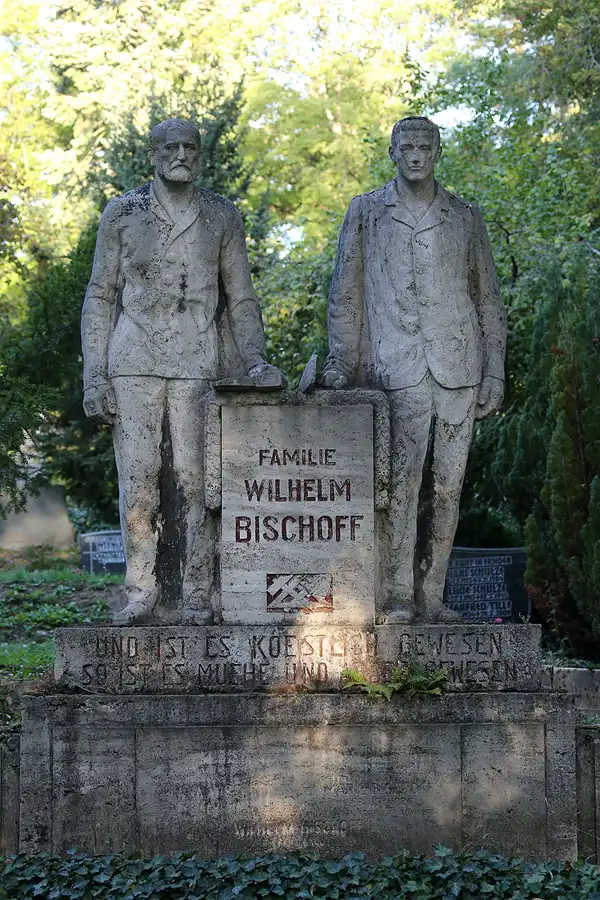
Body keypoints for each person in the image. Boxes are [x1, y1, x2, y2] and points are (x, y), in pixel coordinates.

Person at [82, 118, 279, 625]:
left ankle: (197, 591)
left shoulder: (221, 216)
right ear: (153, 154)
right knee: (139, 481)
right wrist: (95, 375)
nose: (182, 155)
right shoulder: (123, 213)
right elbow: (100, 296)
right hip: (133, 364)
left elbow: (241, 297)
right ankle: (140, 590)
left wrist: (255, 358)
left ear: (201, 155)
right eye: (171, 147)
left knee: (198, 480)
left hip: (196, 363)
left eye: (191, 147)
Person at [322, 116, 506, 623]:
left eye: (426, 146)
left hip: (458, 365)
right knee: (399, 484)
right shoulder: (367, 211)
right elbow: (346, 292)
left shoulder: (465, 217)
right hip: (396, 365)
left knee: (448, 486)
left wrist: (494, 371)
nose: (417, 155)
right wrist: (343, 361)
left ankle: (433, 593)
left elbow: (487, 298)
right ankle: (398, 593)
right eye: (408, 146)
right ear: (392, 152)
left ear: (439, 151)